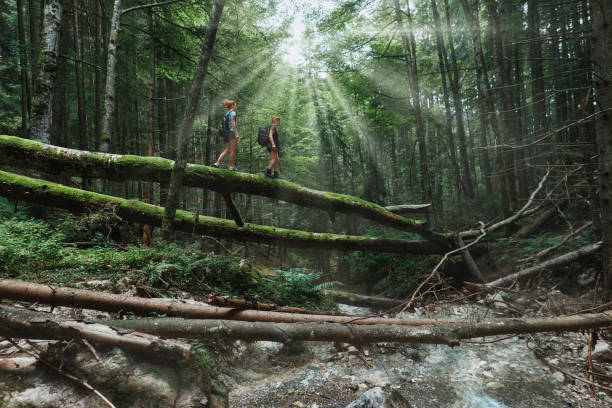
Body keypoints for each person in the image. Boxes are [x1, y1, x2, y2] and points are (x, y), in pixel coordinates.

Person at [212, 99, 239, 170]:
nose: (236, 106)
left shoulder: (227, 113)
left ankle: (217, 163)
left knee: (226, 150)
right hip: (231, 132)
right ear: (232, 105)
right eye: (235, 104)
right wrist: (236, 133)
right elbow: (233, 123)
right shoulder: (233, 113)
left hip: (227, 134)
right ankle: (232, 167)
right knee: (233, 150)